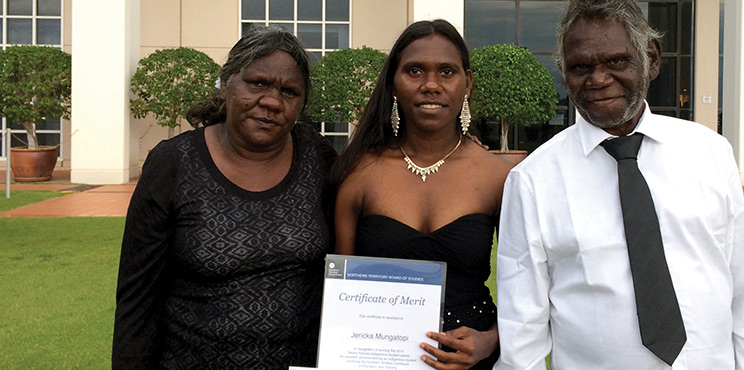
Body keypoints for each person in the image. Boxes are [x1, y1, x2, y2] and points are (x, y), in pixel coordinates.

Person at [494, 1, 744, 369]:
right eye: (580, 67)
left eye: (616, 61)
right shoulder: (533, 180)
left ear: (651, 59)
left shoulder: (710, 153)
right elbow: (522, 329)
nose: (598, 80)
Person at [112, 26, 337, 369]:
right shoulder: (173, 164)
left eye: (289, 91)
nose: (272, 102)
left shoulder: (317, 156)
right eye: (258, 83)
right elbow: (137, 300)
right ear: (226, 84)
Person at [332, 20, 510, 370]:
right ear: (394, 85)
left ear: (467, 84)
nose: (431, 85)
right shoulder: (358, 175)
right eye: (414, 71)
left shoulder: (499, 177)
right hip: (378, 359)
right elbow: (339, 293)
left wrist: (489, 341)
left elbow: (529, 290)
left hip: (474, 361)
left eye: (447, 71)